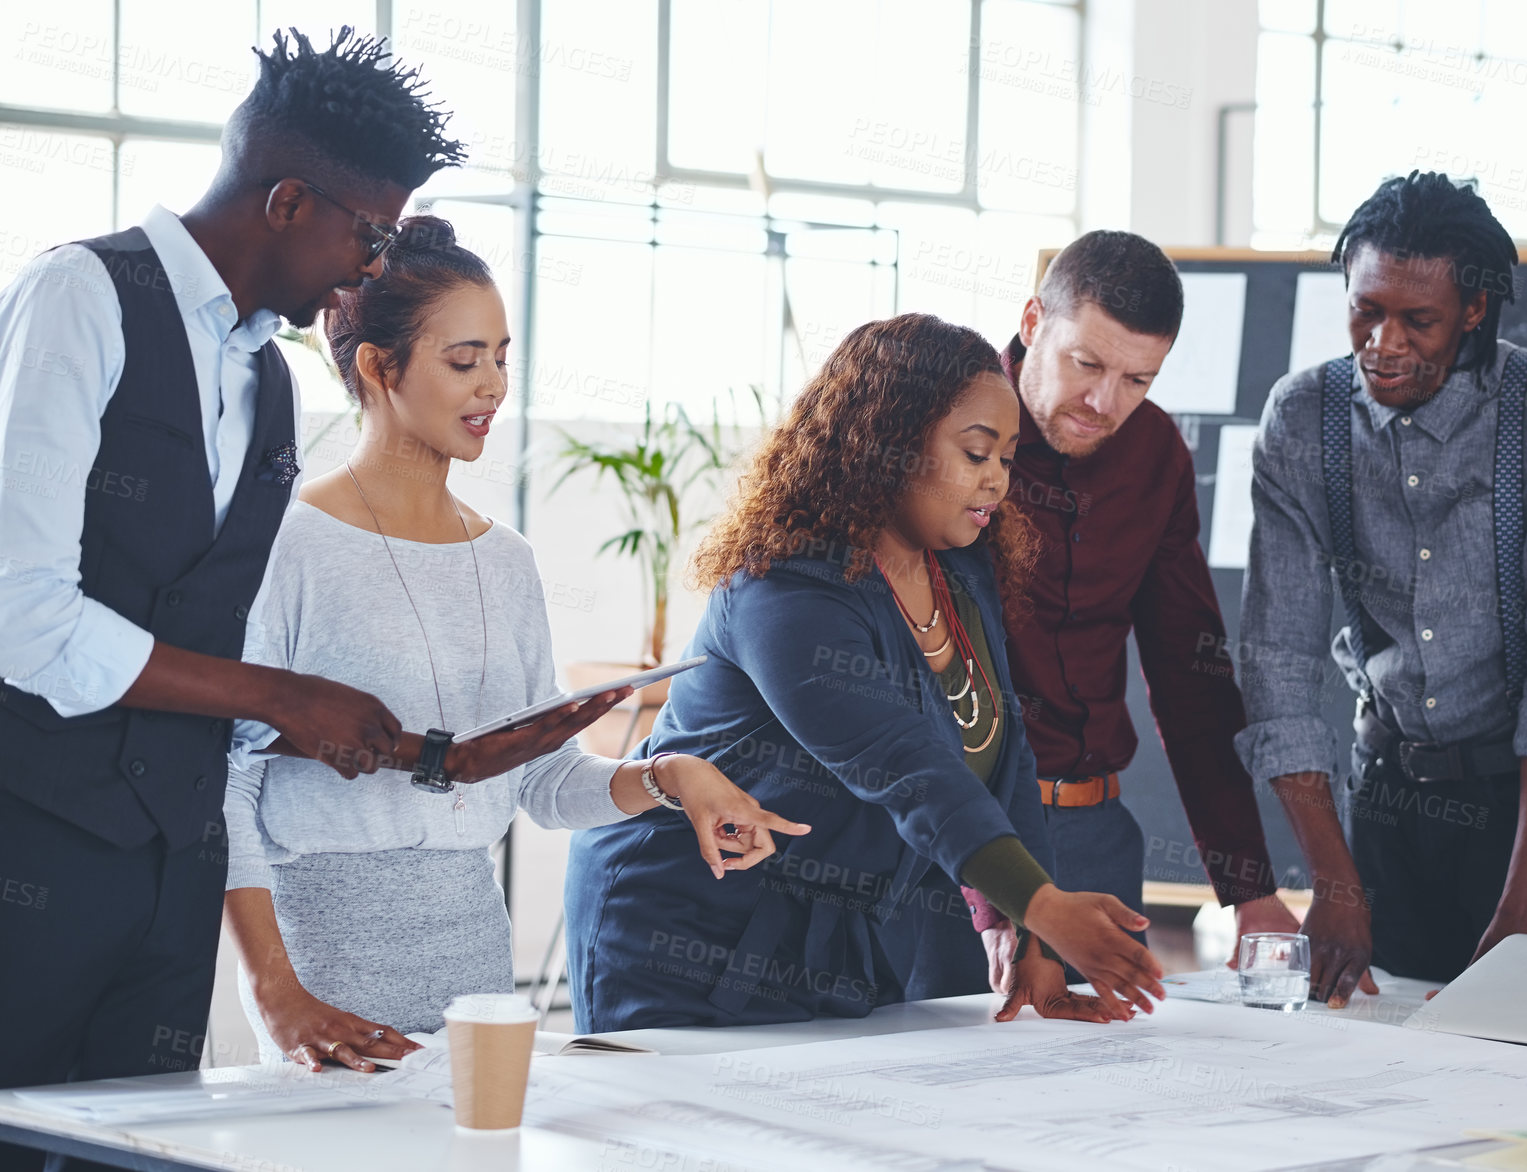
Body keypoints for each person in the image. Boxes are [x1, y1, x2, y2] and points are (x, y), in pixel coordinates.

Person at [0, 28, 463, 1169]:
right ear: (289, 201)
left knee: (135, 1150)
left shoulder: (261, 373)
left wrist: (321, 720)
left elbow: (197, 624)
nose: (371, 268)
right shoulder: (83, 295)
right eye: (369, 232)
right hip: (35, 853)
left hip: (172, 868)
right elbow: (22, 614)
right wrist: (282, 693)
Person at [221, 216, 808, 1069]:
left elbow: (535, 783)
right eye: (464, 362)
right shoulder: (287, 543)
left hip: (472, 960)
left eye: (501, 356)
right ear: (377, 368)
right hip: (327, 963)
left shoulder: (505, 559)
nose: (493, 385)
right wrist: (278, 995)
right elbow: (227, 779)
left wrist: (670, 778)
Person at [565, 313, 1167, 1033]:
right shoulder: (782, 588)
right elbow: (902, 763)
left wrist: (1022, 929)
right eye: (976, 453)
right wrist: (1044, 904)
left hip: (836, 931)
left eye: (1006, 458)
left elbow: (1006, 764)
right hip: (684, 930)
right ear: (887, 446)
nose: (996, 482)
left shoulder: (959, 572)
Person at [1238, 171, 1527, 1002]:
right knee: (1386, 1079)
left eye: (1417, 321)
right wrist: (1333, 883)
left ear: (1474, 310)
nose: (1383, 342)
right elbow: (1275, 660)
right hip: (1386, 805)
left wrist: (1526, 906)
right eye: (1364, 311)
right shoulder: (1303, 419)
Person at [977, 230, 1302, 993]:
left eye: (1137, 380)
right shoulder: (952, 434)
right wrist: (996, 905)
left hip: (1095, 836)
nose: (1104, 403)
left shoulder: (1155, 454)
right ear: (1032, 324)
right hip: (959, 841)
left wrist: (1248, 886)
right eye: (1085, 364)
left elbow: (1190, 673)